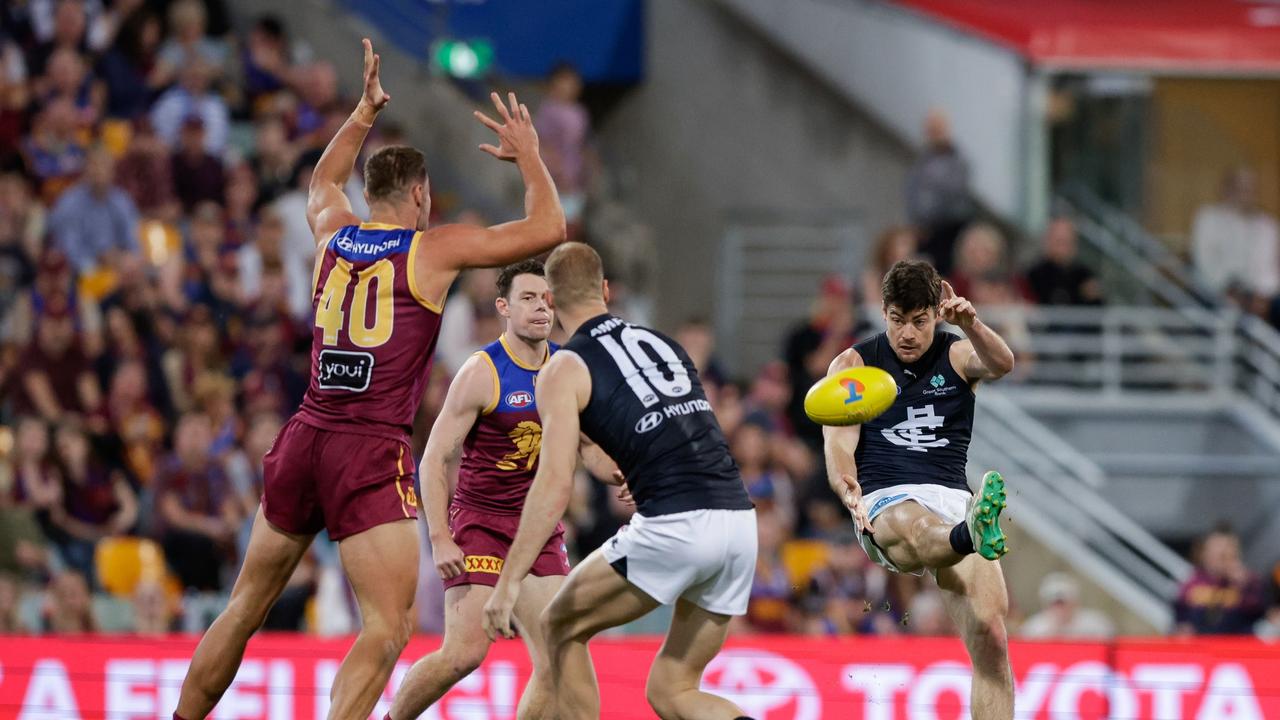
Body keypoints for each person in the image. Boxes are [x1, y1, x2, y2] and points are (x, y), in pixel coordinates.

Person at [172, 38, 565, 720]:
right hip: (368, 448)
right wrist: (529, 153)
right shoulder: (431, 250)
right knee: (387, 629)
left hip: (305, 433)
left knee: (244, 606)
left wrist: (361, 112)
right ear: (419, 193)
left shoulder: (333, 230)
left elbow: (321, 182)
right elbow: (548, 227)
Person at [481, 242, 758, 720]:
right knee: (673, 691)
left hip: (677, 524)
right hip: (738, 523)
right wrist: (632, 467)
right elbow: (675, 428)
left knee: (560, 626)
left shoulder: (563, 367)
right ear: (605, 290)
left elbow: (552, 485)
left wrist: (506, 585)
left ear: (549, 301)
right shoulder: (663, 343)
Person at [389, 259, 624, 719]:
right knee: (464, 654)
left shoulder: (568, 367)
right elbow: (435, 457)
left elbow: (588, 446)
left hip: (538, 526)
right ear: (504, 307)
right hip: (480, 524)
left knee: (556, 659)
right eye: (528, 298)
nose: (540, 308)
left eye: (546, 298)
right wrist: (438, 536)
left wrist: (621, 473)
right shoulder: (482, 372)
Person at [822, 259, 1016, 718]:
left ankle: (968, 531)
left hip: (952, 497)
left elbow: (1002, 364)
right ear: (884, 311)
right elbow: (838, 441)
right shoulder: (854, 363)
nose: (907, 333)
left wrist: (971, 324)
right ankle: (968, 535)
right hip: (884, 501)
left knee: (991, 636)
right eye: (897, 320)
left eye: (919, 321)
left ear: (936, 312)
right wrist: (844, 483)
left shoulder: (955, 354)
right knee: (916, 524)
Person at [1191, 167, 1279, 303]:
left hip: (1259, 294)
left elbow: (1270, 267)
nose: (1246, 195)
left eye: (1251, 189)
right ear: (1226, 190)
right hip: (1217, 290)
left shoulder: (1267, 225)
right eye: (1241, 188)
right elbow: (1205, 262)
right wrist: (1230, 288)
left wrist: (1263, 295)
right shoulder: (1208, 218)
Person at [906, 109, 974, 277]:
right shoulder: (922, 160)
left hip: (947, 228)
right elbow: (912, 192)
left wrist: (929, 222)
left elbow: (953, 193)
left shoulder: (957, 161)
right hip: (924, 230)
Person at [1173, 526, 1267, 636]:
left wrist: (1244, 585)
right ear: (1205, 553)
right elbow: (1180, 615)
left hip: (1236, 645)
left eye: (1226, 552)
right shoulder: (1192, 582)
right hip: (1201, 644)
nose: (1220, 557)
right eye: (1216, 551)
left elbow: (1260, 611)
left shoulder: (1248, 581)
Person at [1019, 572, 1113, 639]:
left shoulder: (1095, 624)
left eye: (1062, 603)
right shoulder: (1034, 628)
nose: (1059, 609)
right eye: (1055, 604)